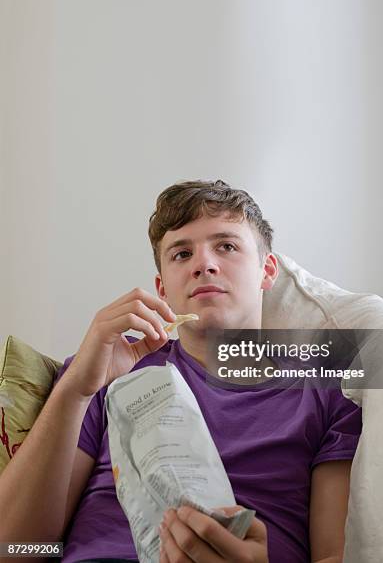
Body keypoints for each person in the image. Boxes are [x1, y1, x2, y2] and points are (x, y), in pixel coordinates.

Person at [0, 179, 362, 563]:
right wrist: (75, 391)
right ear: (162, 289)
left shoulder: (326, 390)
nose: (203, 264)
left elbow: (333, 555)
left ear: (266, 271)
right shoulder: (101, 374)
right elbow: (15, 549)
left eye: (226, 246)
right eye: (181, 254)